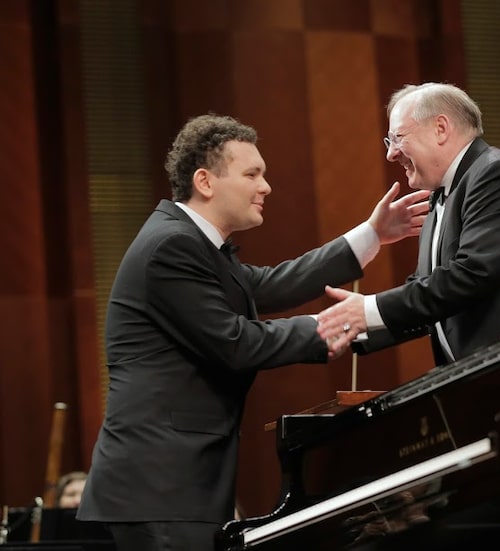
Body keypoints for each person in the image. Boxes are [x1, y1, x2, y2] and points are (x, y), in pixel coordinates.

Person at [76, 113, 429, 550]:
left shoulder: (193, 243)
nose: (265, 187)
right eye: (252, 174)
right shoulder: (172, 246)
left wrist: (372, 236)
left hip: (173, 486)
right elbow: (237, 342)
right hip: (160, 488)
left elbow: (269, 284)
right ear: (205, 181)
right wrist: (342, 324)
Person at [318, 82, 500, 366]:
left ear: (441, 128)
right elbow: (429, 290)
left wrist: (369, 310)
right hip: (475, 380)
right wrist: (355, 326)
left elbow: (470, 276)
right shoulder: (441, 195)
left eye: (397, 138)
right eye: (389, 142)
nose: (391, 154)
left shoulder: (498, 174)